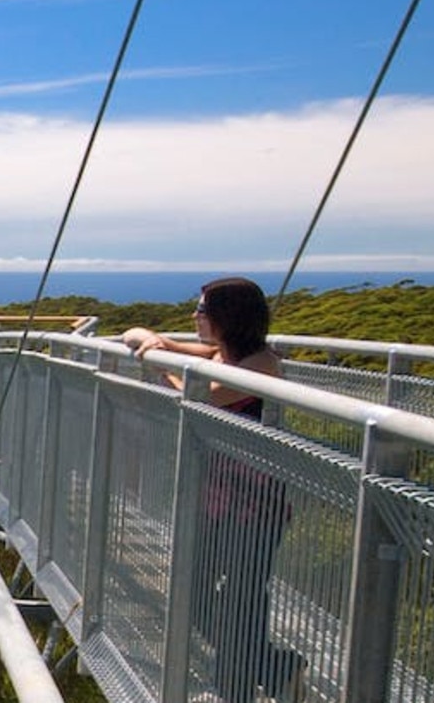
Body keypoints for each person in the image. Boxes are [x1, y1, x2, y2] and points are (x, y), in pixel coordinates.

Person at [122, 277, 305, 703]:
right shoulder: (224, 356)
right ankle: (275, 669)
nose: (195, 317)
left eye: (203, 311)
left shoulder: (261, 364)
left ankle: (235, 690)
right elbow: (141, 335)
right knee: (200, 593)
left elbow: (200, 398)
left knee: (242, 598)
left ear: (230, 316)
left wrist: (159, 364)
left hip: (257, 505)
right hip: (217, 499)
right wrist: (148, 342)